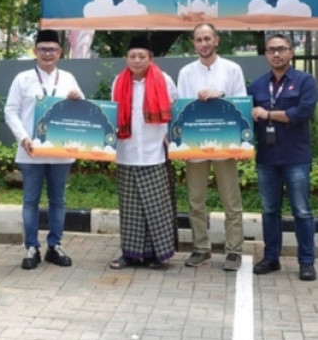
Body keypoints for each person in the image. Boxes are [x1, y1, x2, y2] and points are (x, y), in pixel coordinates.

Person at [4, 29, 85, 270]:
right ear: (35, 51)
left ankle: (55, 246)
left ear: (60, 52)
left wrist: (77, 99)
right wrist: (23, 138)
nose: (47, 53)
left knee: (57, 201)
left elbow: (82, 113)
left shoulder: (69, 78)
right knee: (30, 201)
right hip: (31, 151)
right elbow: (10, 111)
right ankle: (31, 247)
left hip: (60, 152)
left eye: (52, 49)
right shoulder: (22, 79)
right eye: (42, 49)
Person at [177, 23, 247, 271]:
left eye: (207, 38)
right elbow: (182, 108)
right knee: (196, 200)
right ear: (194, 43)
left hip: (225, 142)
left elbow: (241, 104)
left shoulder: (232, 69)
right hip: (196, 144)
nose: (203, 43)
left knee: (231, 200)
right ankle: (201, 248)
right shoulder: (186, 72)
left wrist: (221, 94)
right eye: (198, 39)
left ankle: (234, 250)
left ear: (216, 40)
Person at [248, 33, 318, 281]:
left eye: (281, 49)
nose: (276, 54)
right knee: (269, 211)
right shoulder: (256, 86)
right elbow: (245, 113)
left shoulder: (305, 81)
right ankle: (271, 257)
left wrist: (267, 114)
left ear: (291, 52)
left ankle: (307, 261)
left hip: (295, 157)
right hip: (267, 158)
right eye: (271, 50)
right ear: (266, 54)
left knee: (301, 211)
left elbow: (302, 113)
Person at [109, 35, 177, 269]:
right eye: (132, 56)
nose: (137, 60)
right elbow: (113, 115)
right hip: (126, 152)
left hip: (154, 152)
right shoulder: (119, 81)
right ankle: (130, 254)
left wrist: (172, 146)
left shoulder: (164, 80)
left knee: (156, 207)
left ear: (151, 58)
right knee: (130, 208)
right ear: (126, 59)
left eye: (142, 56)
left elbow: (173, 113)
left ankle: (156, 255)